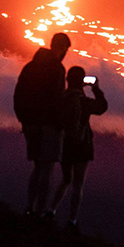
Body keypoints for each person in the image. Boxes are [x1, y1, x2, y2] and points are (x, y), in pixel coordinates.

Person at [13, 32, 70, 216]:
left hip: (30, 123)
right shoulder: (58, 69)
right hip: (50, 125)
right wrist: (62, 123)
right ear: (61, 48)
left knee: (37, 167)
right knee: (47, 168)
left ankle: (30, 206)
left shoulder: (30, 67)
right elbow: (57, 98)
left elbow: (18, 94)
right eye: (66, 49)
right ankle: (39, 211)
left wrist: (23, 119)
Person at [48, 66, 108, 231]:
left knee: (66, 179)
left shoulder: (62, 99)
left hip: (64, 144)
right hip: (82, 146)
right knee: (78, 184)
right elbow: (102, 107)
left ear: (68, 80)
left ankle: (51, 210)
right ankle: (72, 220)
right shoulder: (83, 102)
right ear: (82, 83)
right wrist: (96, 89)